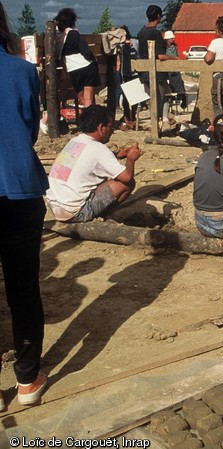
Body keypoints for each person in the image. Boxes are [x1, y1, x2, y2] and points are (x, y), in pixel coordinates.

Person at [0, 0, 49, 408]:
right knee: (23, 289)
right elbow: (30, 128)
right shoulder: (22, 70)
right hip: (18, 188)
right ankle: (28, 380)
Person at [46, 105, 144, 223]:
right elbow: (126, 177)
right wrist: (130, 159)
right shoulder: (99, 149)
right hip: (74, 212)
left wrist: (117, 155)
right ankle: (98, 216)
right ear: (101, 127)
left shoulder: (75, 141)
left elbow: (89, 160)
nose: (112, 131)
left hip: (56, 207)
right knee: (127, 184)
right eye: (110, 127)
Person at [137, 5, 179, 132]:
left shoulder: (141, 32)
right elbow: (160, 56)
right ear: (159, 16)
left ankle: (160, 123)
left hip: (143, 71)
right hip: (156, 72)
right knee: (160, 98)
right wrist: (175, 59)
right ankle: (158, 125)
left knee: (155, 98)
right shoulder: (155, 33)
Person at [54, 8, 100, 107]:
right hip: (87, 66)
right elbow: (86, 52)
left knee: (81, 97)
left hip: (73, 69)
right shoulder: (74, 34)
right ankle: (91, 119)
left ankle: (89, 116)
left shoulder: (56, 36)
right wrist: (94, 59)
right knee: (88, 98)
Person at [205, 16, 223, 117]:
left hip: (220, 77)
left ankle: (220, 127)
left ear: (220, 31)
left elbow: (208, 59)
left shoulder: (215, 42)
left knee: (218, 105)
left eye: (216, 29)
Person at [118, 25, 139, 130]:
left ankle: (129, 118)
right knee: (130, 98)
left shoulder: (127, 45)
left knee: (129, 98)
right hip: (130, 73)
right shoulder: (129, 44)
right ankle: (129, 117)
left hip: (127, 73)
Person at [164, 30, 187, 112]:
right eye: (171, 38)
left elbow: (177, 56)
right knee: (170, 85)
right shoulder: (164, 48)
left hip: (175, 69)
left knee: (180, 83)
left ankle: (183, 98)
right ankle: (170, 101)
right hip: (167, 69)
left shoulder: (174, 48)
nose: (173, 39)